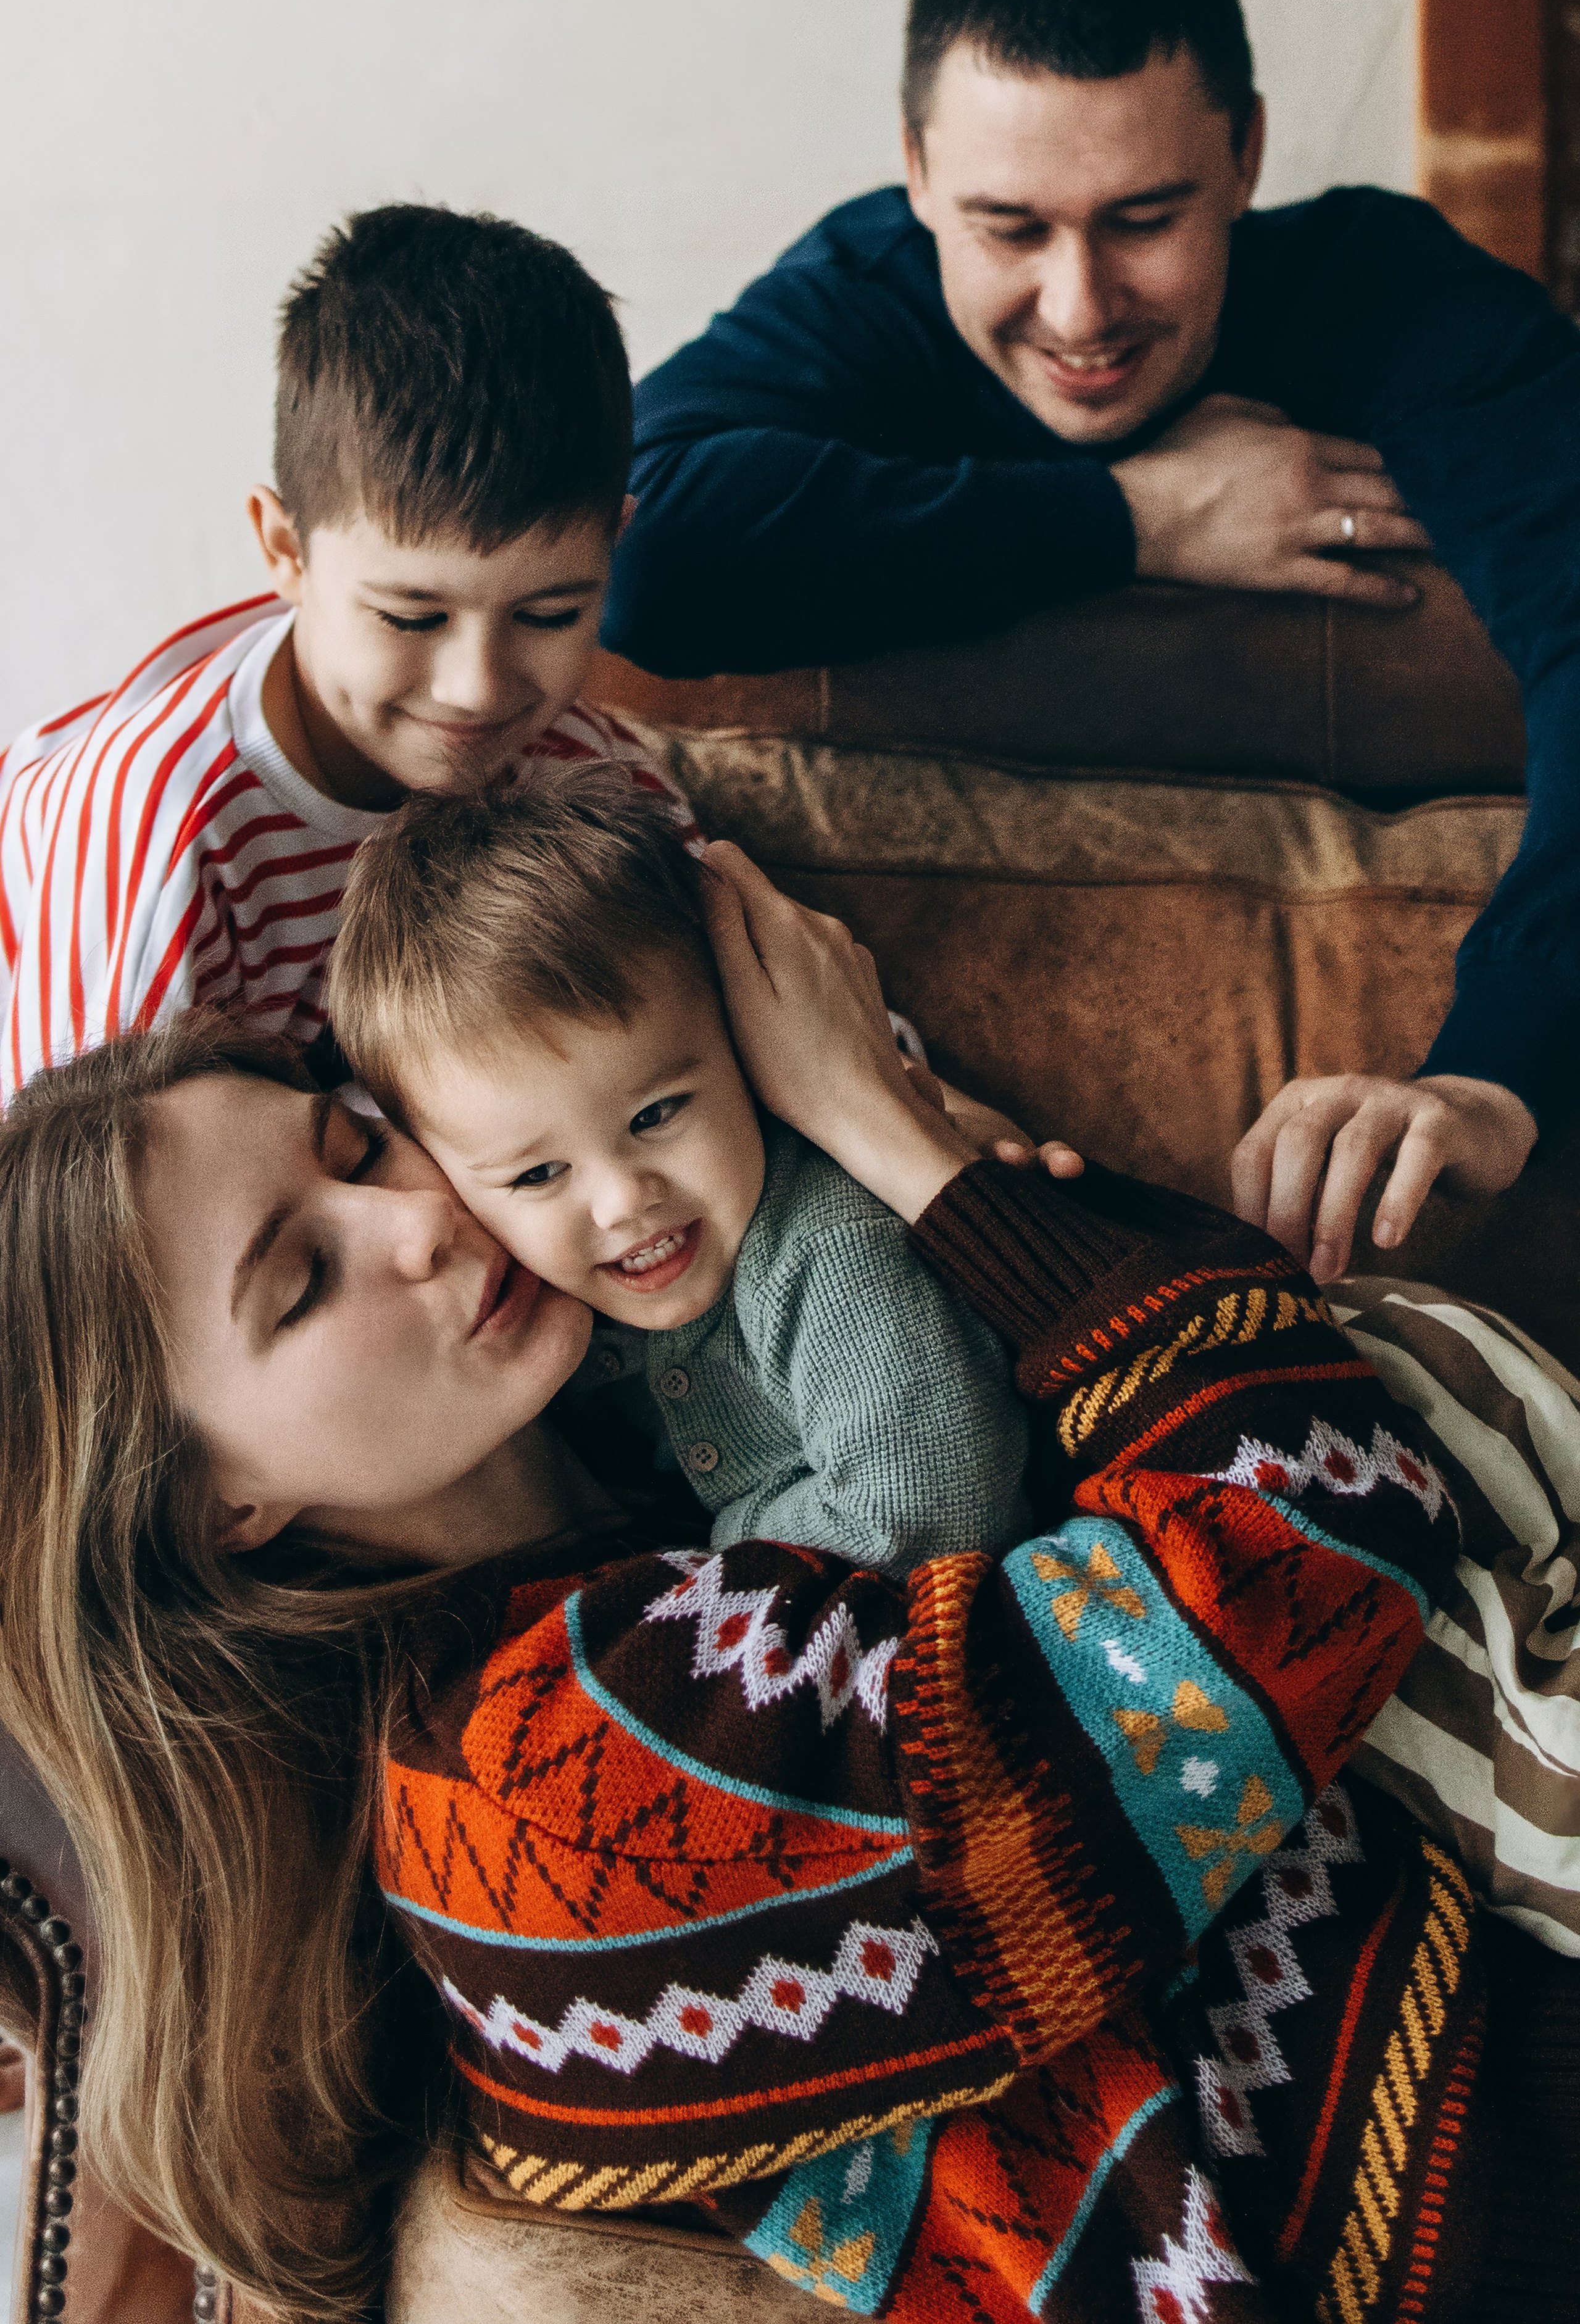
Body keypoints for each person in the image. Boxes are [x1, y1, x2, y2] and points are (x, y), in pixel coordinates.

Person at [0, 840, 1490, 2322]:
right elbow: (1322, 1532)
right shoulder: (549, 1777)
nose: (419, 1222)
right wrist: (888, 1132)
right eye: (303, 1282)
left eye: (358, 1146)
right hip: (1461, 2193)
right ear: (222, 1511)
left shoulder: (655, 1431)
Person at [605, 0, 1573, 1289]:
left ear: (1242, 154)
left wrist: (1495, 1074)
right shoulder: (865, 292)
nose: (1078, 309)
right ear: (917, 172)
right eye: (1008, 228)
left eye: (1142, 219)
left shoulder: (1386, 292)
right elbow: (643, 551)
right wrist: (1133, 518)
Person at [0, 201, 694, 1102]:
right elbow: (70, 1219)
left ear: (614, 546)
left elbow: (772, 1020)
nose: (478, 688)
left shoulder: (582, 774)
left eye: (550, 615)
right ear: (286, 551)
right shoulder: (158, 831)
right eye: (411, 618)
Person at [327, 770, 1030, 1571]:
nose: (624, 1197)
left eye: (655, 1114)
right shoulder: (554, 1314)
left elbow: (931, 1513)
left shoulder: (826, 1253)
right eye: (536, 1174)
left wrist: (713, 1553)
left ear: (744, 1044)